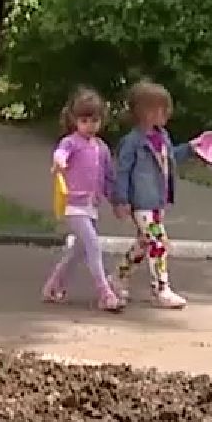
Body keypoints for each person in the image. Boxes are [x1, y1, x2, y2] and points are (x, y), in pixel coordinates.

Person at [109, 80, 195, 309]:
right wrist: (121, 200)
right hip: (142, 203)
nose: (165, 113)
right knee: (158, 243)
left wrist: (190, 148)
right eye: (159, 109)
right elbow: (123, 171)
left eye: (166, 108)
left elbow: (170, 158)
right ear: (143, 112)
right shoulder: (133, 142)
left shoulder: (162, 136)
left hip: (158, 200)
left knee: (143, 244)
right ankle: (162, 288)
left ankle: (117, 279)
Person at [46, 88, 122, 312]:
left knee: (78, 251)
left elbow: (108, 178)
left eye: (95, 120)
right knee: (92, 244)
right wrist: (59, 162)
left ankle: (53, 285)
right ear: (75, 120)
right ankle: (104, 292)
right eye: (84, 120)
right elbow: (61, 153)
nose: (90, 125)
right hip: (73, 205)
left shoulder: (102, 148)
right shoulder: (71, 142)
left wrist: (117, 202)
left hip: (91, 206)